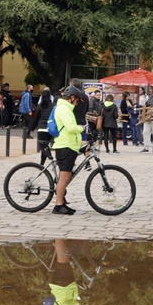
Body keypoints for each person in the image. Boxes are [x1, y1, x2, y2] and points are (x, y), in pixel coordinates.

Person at [50, 86, 88, 215]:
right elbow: (71, 128)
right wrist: (81, 128)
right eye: (77, 100)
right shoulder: (64, 109)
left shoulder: (65, 108)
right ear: (72, 98)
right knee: (64, 177)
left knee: (65, 176)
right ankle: (58, 205)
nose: (77, 103)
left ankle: (61, 201)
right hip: (65, 146)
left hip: (69, 145)